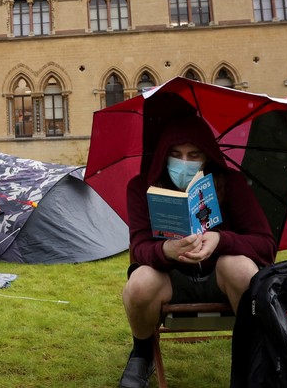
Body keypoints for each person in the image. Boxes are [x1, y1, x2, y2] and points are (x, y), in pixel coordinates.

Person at [117, 116, 277, 388]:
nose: (184, 162)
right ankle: (142, 353)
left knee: (240, 267)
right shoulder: (141, 187)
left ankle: (255, 356)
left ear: (207, 156)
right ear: (163, 156)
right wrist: (166, 250)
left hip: (221, 279)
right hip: (170, 278)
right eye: (175, 155)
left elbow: (265, 245)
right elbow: (140, 248)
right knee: (139, 284)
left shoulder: (233, 184)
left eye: (194, 155)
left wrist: (220, 239)